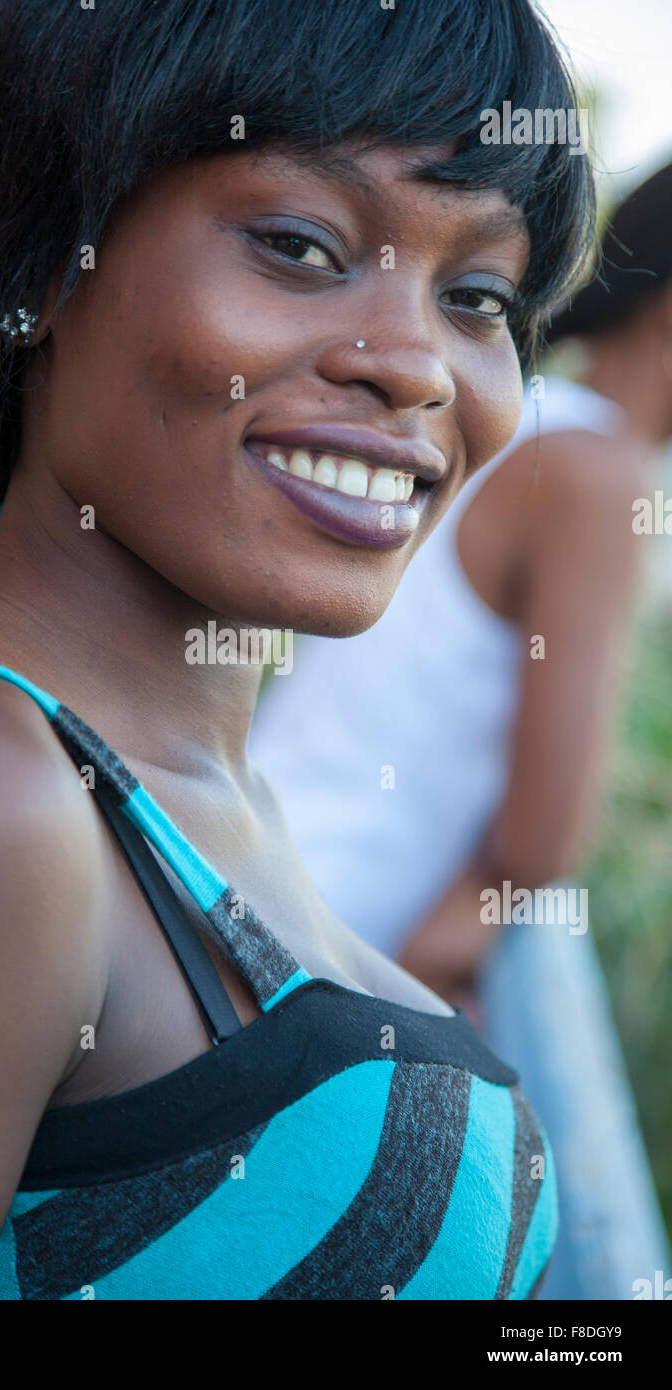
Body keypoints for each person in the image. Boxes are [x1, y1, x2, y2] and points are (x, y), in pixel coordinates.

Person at [0, 0, 594, 1300]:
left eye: (475, 296)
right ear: (37, 270)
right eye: (298, 244)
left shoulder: (186, 800)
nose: (414, 368)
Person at [249, 161, 672, 1299]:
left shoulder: (520, 426)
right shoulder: (593, 474)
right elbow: (543, 840)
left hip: (268, 886)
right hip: (340, 945)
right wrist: (433, 983)